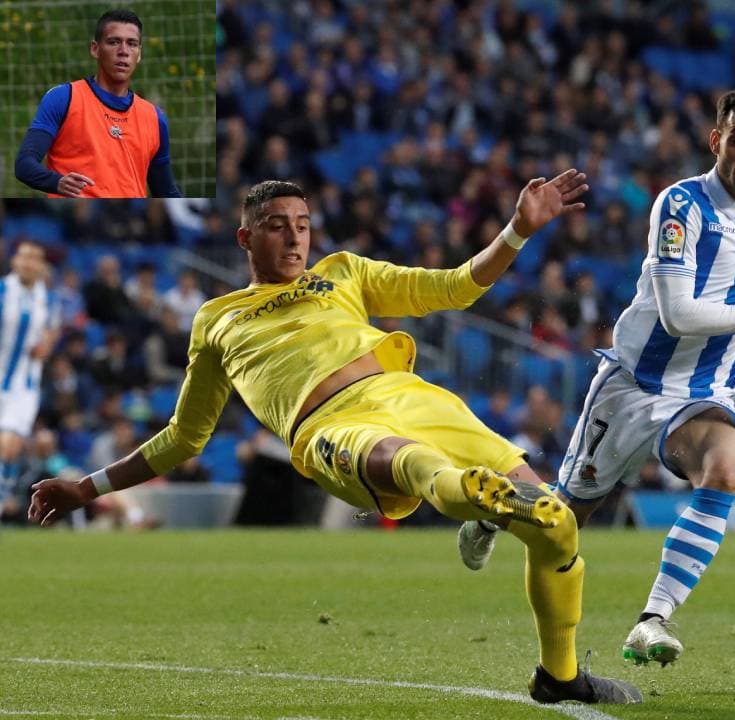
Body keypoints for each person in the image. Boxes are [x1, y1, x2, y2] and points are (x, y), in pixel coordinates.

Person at [27, 176, 641, 705]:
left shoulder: (343, 273)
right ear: (245, 239)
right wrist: (87, 487)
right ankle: (477, 501)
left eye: (302, 224)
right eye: (276, 226)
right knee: (411, 464)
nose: (295, 237)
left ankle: (559, 676)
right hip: (331, 427)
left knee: (558, 522)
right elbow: (185, 437)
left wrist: (516, 230)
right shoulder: (218, 318)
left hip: (413, 398)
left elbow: (455, 287)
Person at [459, 87, 735, 667]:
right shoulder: (681, 206)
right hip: (634, 384)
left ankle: (653, 620)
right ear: (715, 140)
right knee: (562, 522)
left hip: (703, 391)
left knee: (725, 467)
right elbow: (679, 315)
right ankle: (499, 508)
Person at [14, 9, 182, 198]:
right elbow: (24, 164)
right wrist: (56, 182)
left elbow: (166, 191)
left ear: (139, 54)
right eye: (114, 42)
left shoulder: (154, 118)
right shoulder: (64, 98)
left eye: (132, 44)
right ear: (95, 49)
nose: (123, 51)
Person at [1, 241, 59, 515]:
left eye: (33, 258)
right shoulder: (2, 291)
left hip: (23, 385)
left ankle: (3, 498)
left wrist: (47, 344)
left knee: (10, 445)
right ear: (15, 261)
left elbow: (52, 331)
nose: (27, 263)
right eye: (23, 257)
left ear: (40, 266)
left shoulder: (47, 299)